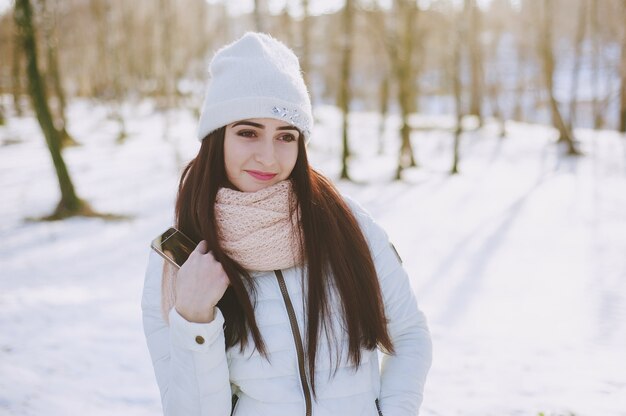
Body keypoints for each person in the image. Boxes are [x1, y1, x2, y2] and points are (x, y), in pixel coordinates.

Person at [141, 32, 432, 416]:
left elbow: (409, 336)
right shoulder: (181, 255)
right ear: (216, 137)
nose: (268, 157)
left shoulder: (349, 226)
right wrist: (195, 319)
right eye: (247, 132)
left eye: (285, 136)